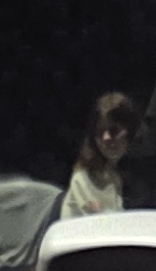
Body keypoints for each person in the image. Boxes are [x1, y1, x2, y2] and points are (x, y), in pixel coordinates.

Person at [56, 90, 139, 223]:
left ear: (130, 133)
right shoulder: (82, 178)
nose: (106, 138)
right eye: (99, 132)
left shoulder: (114, 178)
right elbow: (101, 223)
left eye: (113, 130)